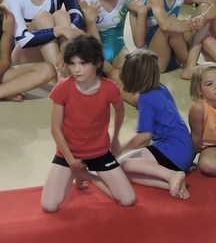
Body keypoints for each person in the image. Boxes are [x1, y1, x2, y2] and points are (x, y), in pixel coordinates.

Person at [40, 35, 135, 212]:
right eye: (72, 64)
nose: (77, 69)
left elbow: (120, 110)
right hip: (69, 154)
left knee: (127, 199)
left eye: (83, 63)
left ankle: (85, 175)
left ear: (97, 63)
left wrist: (115, 138)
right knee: (49, 206)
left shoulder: (110, 88)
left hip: (100, 152)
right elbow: (55, 128)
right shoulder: (62, 88)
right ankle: (78, 172)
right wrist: (70, 160)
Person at [117, 49, 195, 200]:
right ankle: (172, 183)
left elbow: (143, 137)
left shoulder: (145, 98)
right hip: (185, 149)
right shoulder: (160, 87)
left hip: (171, 152)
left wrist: (119, 149)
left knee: (122, 164)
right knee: (128, 173)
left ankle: (171, 175)